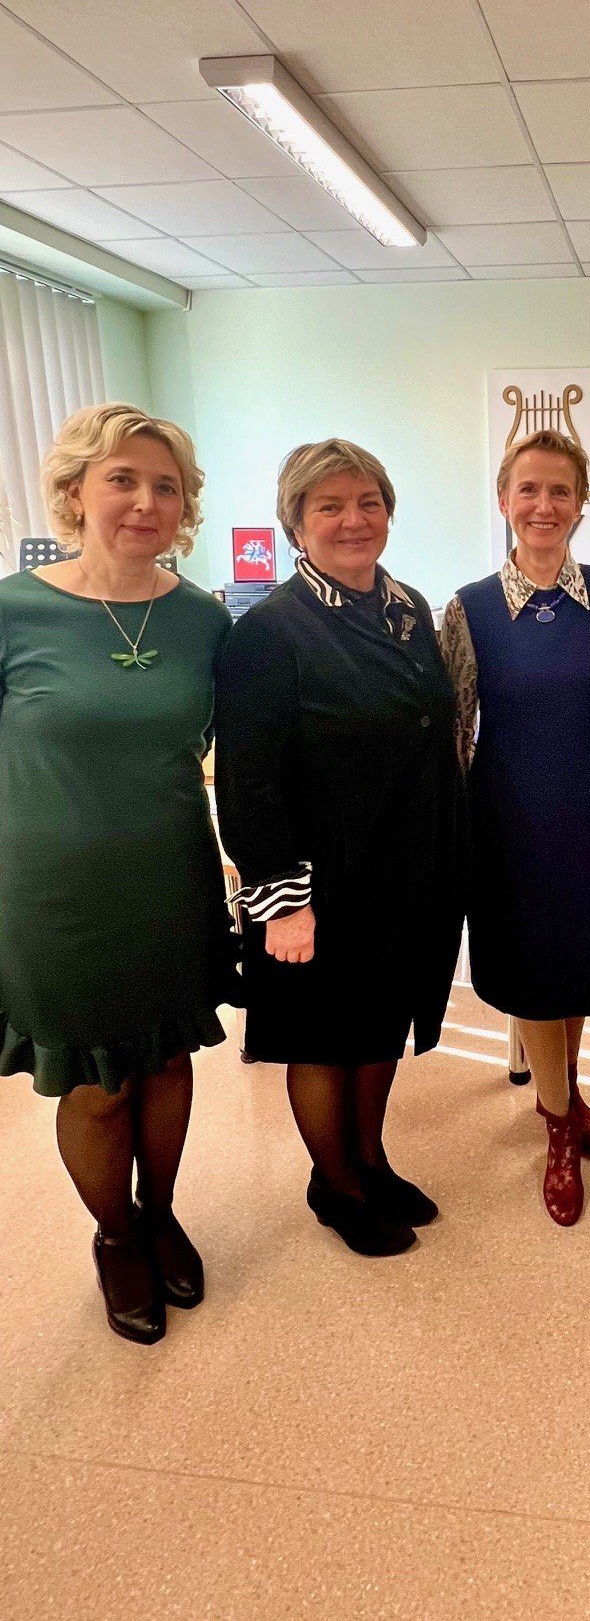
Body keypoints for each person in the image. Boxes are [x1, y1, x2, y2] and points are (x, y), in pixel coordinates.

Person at [0, 402, 237, 1344]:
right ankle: (114, 1235)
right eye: (122, 480)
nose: (145, 501)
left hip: (171, 877)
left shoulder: (204, 619)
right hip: (54, 894)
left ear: (184, 507)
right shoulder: (13, 611)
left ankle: (161, 1210)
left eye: (164, 486)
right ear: (74, 493)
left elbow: (234, 747)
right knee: (98, 1083)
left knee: (169, 1057)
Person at [215, 440, 463, 1257]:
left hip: (402, 868)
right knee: (323, 1037)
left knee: (379, 1026)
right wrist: (282, 901)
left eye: (368, 501)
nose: (353, 519)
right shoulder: (269, 631)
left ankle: (369, 1158)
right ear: (296, 522)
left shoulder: (405, 605)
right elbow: (247, 781)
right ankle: (335, 1183)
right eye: (329, 506)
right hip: (318, 881)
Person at [440, 429, 590, 1227]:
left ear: (581, 504)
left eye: (559, 490)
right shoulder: (471, 607)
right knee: (530, 972)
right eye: (528, 489)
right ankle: (557, 1125)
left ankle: (567, 1091)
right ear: (503, 500)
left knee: (580, 968)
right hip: (509, 823)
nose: (543, 504)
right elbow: (454, 732)